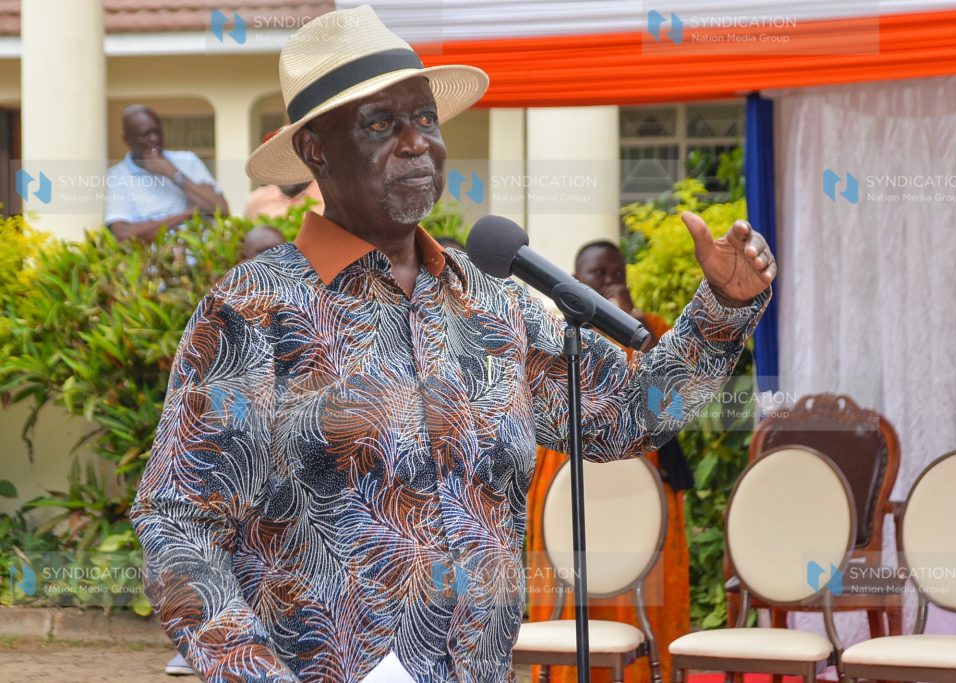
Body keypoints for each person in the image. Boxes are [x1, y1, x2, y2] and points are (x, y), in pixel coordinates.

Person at [129, 6, 775, 683]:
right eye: (381, 124)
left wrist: (723, 307)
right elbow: (177, 525)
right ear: (316, 148)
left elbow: (628, 413)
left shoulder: (493, 299)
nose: (416, 143)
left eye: (426, 119)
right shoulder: (252, 312)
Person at [526, 240, 694, 683]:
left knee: (639, 576)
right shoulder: (557, 333)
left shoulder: (652, 329)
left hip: (641, 481)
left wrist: (634, 328)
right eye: (598, 275)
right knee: (571, 575)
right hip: (566, 475)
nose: (611, 282)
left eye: (617, 273)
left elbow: (670, 402)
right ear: (574, 283)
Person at [105, 105, 229, 242]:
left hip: (203, 256)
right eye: (145, 134)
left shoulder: (188, 161)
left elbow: (222, 209)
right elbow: (123, 234)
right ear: (127, 140)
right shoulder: (115, 176)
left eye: (158, 132)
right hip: (151, 261)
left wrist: (173, 173)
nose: (154, 139)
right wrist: (188, 214)